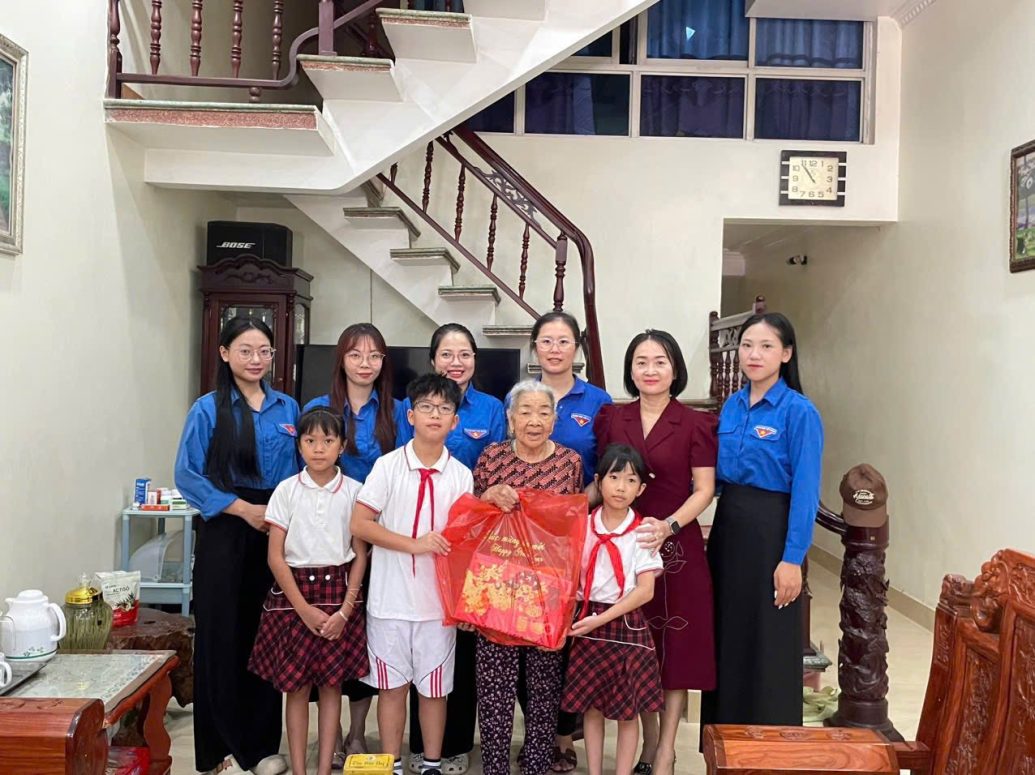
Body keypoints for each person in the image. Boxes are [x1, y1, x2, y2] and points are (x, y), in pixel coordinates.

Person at [174, 316, 297, 775]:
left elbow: (301, 469)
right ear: (225, 354)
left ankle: (262, 748)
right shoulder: (207, 409)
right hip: (226, 527)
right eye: (245, 350)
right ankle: (217, 750)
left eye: (264, 351)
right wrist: (243, 509)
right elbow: (187, 475)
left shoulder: (288, 407)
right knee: (220, 635)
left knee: (266, 635)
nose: (256, 359)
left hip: (275, 529)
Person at [593, 330, 717, 775]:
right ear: (630, 370)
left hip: (676, 546)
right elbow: (602, 480)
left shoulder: (696, 423)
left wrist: (669, 526)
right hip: (623, 546)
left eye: (660, 361)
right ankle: (647, 743)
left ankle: (665, 750)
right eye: (641, 362)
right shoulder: (613, 418)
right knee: (637, 646)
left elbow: (704, 489)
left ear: (675, 369)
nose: (650, 370)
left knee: (675, 648)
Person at [700, 313, 823, 731]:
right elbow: (715, 478)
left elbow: (805, 493)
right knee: (728, 633)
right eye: (747, 345)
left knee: (769, 639)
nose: (754, 354)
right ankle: (723, 738)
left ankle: (770, 742)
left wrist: (793, 559)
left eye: (766, 346)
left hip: (772, 532)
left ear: (786, 354)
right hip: (729, 529)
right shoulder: (732, 406)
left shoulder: (799, 412)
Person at [350, 373, 474, 775]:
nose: (435, 415)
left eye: (444, 408)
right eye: (426, 407)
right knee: (391, 689)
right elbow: (360, 523)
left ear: (455, 420)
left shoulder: (461, 475)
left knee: (435, 691)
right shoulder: (388, 467)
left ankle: (431, 764)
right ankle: (392, 765)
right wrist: (414, 544)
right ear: (410, 415)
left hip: (437, 607)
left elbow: (464, 543)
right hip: (389, 601)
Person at [398, 323, 506, 775]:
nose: (455, 362)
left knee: (461, 641)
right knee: (421, 637)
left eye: (464, 354)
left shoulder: (493, 408)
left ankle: (457, 743)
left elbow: (499, 465)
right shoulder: (412, 405)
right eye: (446, 354)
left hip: (474, 540)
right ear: (433, 360)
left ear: (475, 360)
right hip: (420, 535)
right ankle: (422, 745)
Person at [305, 322, 407, 756]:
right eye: (355, 354)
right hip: (324, 537)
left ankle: (357, 731)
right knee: (328, 634)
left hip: (380, 537)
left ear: (384, 362)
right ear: (341, 359)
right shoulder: (318, 407)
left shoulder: (398, 411)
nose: (365, 364)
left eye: (374, 356)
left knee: (366, 634)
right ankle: (331, 731)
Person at [248, 407, 369, 775]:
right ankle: (300, 770)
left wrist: (345, 611)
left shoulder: (355, 492)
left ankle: (324, 769)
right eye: (310, 440)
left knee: (332, 687)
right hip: (293, 596)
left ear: (342, 446)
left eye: (328, 440)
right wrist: (302, 608)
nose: (319, 448)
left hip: (339, 594)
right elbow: (275, 556)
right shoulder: (286, 491)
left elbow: (360, 556)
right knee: (296, 689)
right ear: (299, 445)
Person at [472, 380, 584, 775]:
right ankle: (495, 767)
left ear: (554, 419)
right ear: (510, 418)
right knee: (495, 690)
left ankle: (536, 764)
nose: (534, 421)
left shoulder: (569, 462)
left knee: (544, 688)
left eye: (543, 412)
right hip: (497, 589)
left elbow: (573, 527)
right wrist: (488, 497)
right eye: (525, 411)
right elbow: (471, 515)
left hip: (547, 592)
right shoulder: (492, 457)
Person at [562, 444, 664, 775]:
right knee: (592, 709)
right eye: (614, 477)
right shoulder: (582, 526)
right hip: (586, 619)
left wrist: (600, 620)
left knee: (627, 712)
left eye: (631, 480)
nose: (621, 487)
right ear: (598, 481)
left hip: (625, 624)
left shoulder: (643, 532)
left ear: (641, 489)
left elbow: (645, 591)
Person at [530, 311, 612, 488]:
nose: (555, 349)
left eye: (563, 342)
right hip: (524, 502)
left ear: (576, 348)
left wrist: (580, 500)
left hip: (582, 502)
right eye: (546, 341)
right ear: (535, 347)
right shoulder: (518, 397)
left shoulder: (599, 401)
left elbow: (608, 468)